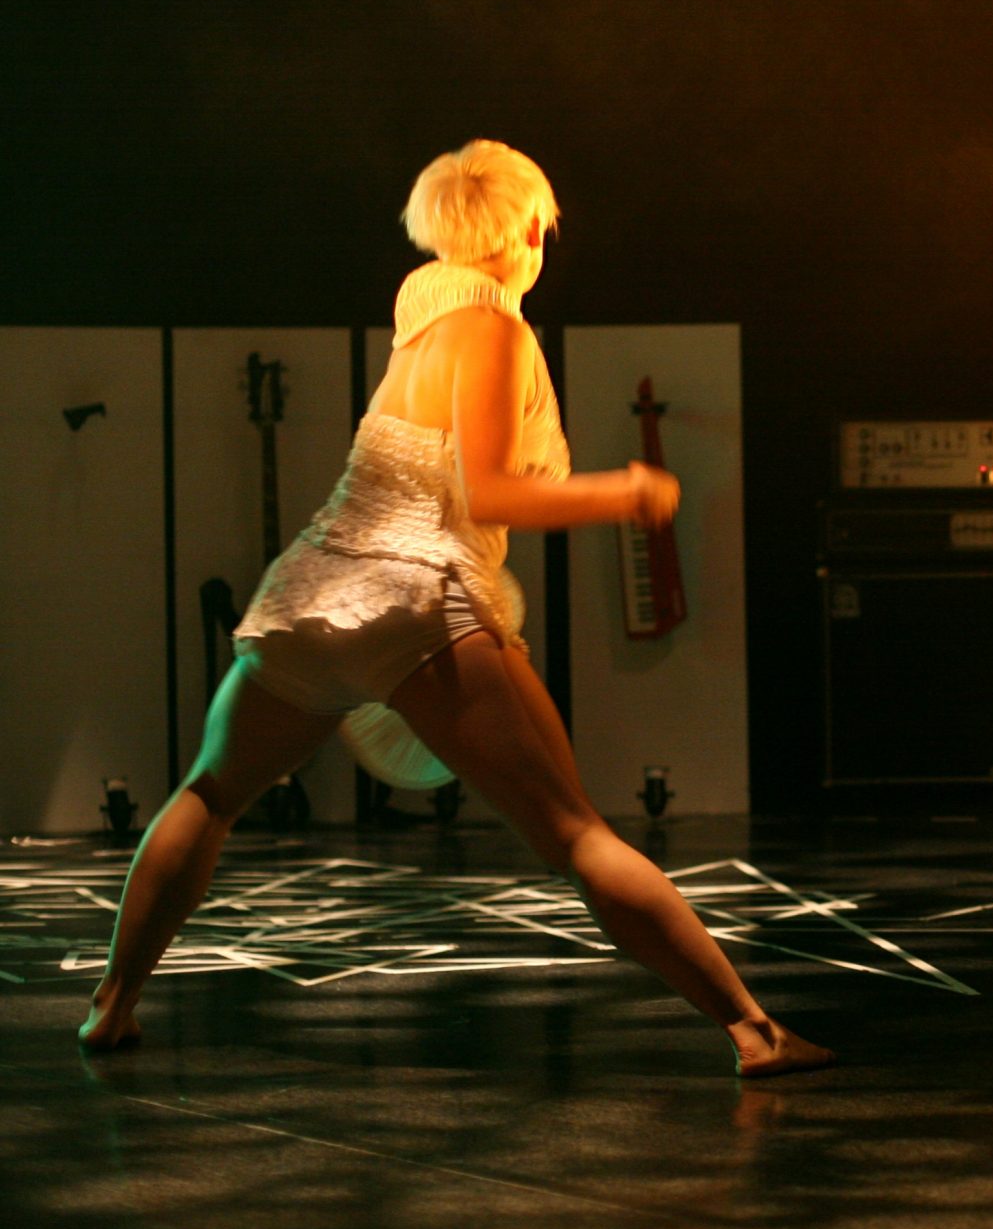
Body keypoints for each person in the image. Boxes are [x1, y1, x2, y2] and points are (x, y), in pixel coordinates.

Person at [78, 140, 831, 1078]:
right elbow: (490, 492)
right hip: (416, 600)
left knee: (208, 793)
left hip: (312, 591)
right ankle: (755, 1032)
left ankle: (112, 1007)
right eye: (544, 227)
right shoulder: (495, 331)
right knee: (576, 833)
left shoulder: (422, 307)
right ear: (526, 228)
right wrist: (627, 491)